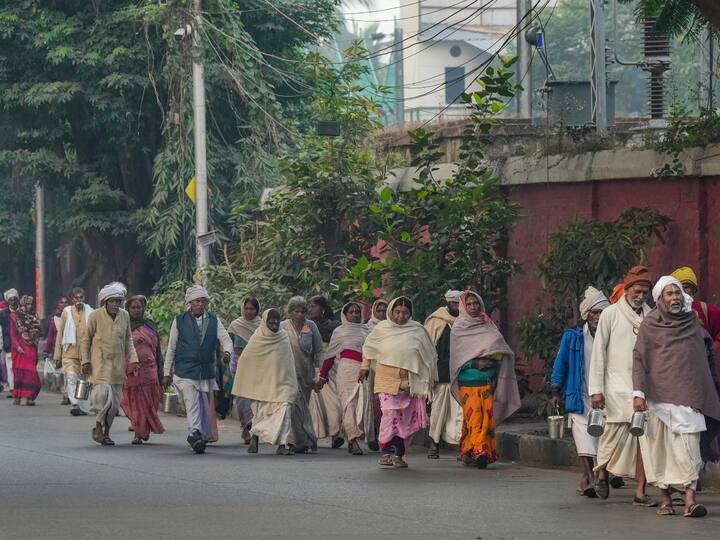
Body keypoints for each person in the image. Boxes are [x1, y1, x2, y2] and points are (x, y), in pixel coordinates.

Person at [633, 276, 720, 517]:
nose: (674, 298)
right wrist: (638, 394)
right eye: (669, 294)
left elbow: (705, 356)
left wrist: (711, 385)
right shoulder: (650, 325)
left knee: (689, 449)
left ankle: (690, 500)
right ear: (660, 299)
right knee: (661, 451)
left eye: (677, 293)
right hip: (657, 397)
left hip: (690, 395)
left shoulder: (693, 322)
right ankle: (665, 500)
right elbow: (639, 359)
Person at [588, 265, 655, 505]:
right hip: (614, 386)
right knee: (611, 436)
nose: (640, 296)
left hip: (643, 389)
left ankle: (640, 491)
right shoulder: (611, 314)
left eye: (645, 292)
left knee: (643, 442)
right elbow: (598, 354)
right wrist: (596, 390)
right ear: (627, 289)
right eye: (637, 291)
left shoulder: (651, 315)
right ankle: (602, 473)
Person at [359, 296, 437, 468]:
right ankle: (386, 451)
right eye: (397, 312)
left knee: (404, 421)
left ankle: (400, 456)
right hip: (387, 380)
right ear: (391, 312)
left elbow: (429, 356)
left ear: (410, 314)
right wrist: (364, 367)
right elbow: (369, 349)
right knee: (390, 416)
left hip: (410, 383)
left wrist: (428, 379)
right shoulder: (382, 329)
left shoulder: (418, 330)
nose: (401, 316)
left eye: (405, 313)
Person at [449, 291, 520, 469]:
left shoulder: (488, 325)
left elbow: (500, 348)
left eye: (476, 304)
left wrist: (493, 359)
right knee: (474, 417)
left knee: (485, 419)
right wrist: (474, 363)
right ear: (464, 307)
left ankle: (467, 450)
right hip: (468, 382)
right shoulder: (458, 328)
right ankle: (480, 451)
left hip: (488, 381)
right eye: (470, 304)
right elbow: (456, 360)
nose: (473, 307)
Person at [551, 286, 610, 497]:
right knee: (584, 437)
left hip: (606, 396)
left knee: (604, 437)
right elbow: (561, 364)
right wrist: (556, 390)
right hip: (579, 394)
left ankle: (595, 477)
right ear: (587, 314)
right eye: (595, 312)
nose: (598, 316)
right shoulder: (573, 337)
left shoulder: (612, 336)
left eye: (602, 312)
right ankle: (593, 479)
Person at [163, 286, 232, 454]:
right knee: (192, 400)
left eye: (203, 301)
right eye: (197, 301)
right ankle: (194, 433)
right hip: (184, 371)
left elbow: (226, 339)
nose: (201, 304)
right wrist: (166, 372)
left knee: (202, 405)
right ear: (190, 303)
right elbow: (171, 348)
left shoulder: (214, 320)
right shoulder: (179, 320)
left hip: (205, 372)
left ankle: (198, 434)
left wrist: (227, 352)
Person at [232, 309, 298, 455]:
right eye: (271, 322)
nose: (274, 324)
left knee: (285, 410)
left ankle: (282, 445)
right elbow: (246, 360)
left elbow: (289, 363)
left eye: (277, 321)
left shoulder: (284, 337)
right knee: (261, 414)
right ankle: (255, 437)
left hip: (282, 385)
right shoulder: (257, 338)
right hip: (261, 388)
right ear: (264, 322)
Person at [80, 284, 138, 446]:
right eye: (112, 301)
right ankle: (98, 426)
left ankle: (106, 433)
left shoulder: (125, 315)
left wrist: (134, 359)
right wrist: (85, 360)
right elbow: (86, 339)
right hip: (99, 364)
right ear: (105, 302)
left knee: (114, 406)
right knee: (102, 399)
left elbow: (128, 340)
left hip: (118, 366)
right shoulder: (95, 316)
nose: (115, 305)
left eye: (118, 301)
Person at [318, 302, 372, 455]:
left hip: (364, 370)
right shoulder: (339, 332)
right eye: (351, 312)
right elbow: (330, 355)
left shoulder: (366, 331)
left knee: (362, 403)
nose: (354, 315)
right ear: (345, 314)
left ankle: (351, 435)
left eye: (357, 312)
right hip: (346, 370)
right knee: (349, 405)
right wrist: (323, 375)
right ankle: (354, 440)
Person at [425, 290, 463, 459]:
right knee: (438, 411)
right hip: (440, 371)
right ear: (448, 303)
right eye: (454, 304)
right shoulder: (436, 320)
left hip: (460, 371)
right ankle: (434, 443)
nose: (457, 307)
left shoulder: (465, 320)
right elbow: (426, 347)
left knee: (459, 412)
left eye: (459, 304)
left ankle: (462, 446)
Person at [121, 295, 164, 445]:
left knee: (149, 400)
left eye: (139, 307)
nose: (136, 310)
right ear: (128, 309)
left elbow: (157, 349)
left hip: (150, 368)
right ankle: (139, 432)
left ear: (144, 308)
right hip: (132, 370)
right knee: (134, 400)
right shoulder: (124, 325)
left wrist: (162, 370)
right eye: (133, 307)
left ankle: (144, 428)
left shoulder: (150, 325)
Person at [281, 296, 320, 453]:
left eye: (303, 311)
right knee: (292, 406)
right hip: (288, 373)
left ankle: (305, 440)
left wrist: (320, 372)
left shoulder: (311, 326)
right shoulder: (283, 327)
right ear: (290, 312)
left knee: (302, 409)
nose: (300, 314)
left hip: (306, 373)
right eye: (297, 311)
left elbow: (318, 350)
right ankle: (295, 440)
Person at [671, 267, 720, 369]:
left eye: (687, 287)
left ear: (693, 290)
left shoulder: (706, 310)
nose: (684, 291)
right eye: (678, 288)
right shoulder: (665, 313)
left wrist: (711, 350)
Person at [227, 297, 261, 443]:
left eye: (252, 309)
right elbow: (228, 344)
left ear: (257, 310)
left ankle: (254, 429)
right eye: (246, 308)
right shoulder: (235, 325)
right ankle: (246, 427)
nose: (248, 312)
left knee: (255, 398)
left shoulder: (262, 326)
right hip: (238, 365)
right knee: (241, 399)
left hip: (257, 365)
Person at [54, 287, 92, 414]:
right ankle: (74, 404)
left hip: (86, 353)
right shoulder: (67, 312)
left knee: (83, 379)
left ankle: (81, 406)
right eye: (76, 298)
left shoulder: (90, 311)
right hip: (69, 351)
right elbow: (60, 333)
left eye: (81, 297)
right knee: (71, 377)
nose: (79, 300)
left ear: (84, 298)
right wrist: (57, 355)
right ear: (72, 299)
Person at [10, 295, 42, 406]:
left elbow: (39, 331)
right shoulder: (15, 316)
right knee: (19, 373)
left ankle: (29, 396)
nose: (29, 306)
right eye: (27, 304)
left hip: (31, 348)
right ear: (22, 304)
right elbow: (13, 334)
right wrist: (18, 347)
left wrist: (34, 336)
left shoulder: (34, 316)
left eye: (30, 304)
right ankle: (17, 395)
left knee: (31, 373)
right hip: (20, 349)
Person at [43, 296, 69, 396]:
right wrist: (47, 350)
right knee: (61, 373)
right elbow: (50, 336)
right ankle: (64, 393)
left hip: (70, 348)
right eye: (62, 302)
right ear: (58, 305)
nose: (64, 304)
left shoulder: (72, 316)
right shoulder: (55, 319)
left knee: (69, 373)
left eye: (66, 302)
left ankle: (67, 393)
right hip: (57, 349)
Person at [0, 289, 20, 396]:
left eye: (15, 299)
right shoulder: (3, 314)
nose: (13, 301)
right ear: (8, 301)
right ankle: (12, 388)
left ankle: (20, 388)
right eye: (11, 300)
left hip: (21, 344)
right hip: (8, 343)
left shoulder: (22, 312)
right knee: (10, 366)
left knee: (19, 367)